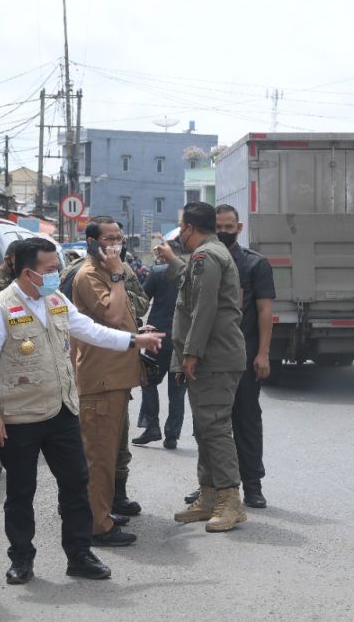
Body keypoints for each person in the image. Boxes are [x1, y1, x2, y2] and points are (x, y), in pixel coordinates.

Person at [0, 238, 163, 584]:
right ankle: (21, 559)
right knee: (21, 491)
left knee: (76, 483)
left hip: (61, 410)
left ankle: (79, 555)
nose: (55, 275)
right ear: (28, 272)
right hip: (20, 416)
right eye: (49, 270)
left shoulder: (56, 300)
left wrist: (134, 340)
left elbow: (89, 330)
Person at [156, 202, 247, 533]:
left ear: (190, 228)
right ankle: (209, 496)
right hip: (211, 356)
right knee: (206, 427)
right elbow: (194, 289)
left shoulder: (206, 256)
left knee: (215, 427)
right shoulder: (208, 255)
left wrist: (190, 353)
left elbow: (205, 306)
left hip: (214, 356)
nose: (180, 232)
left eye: (182, 226)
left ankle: (229, 500)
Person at [71, 216, 148, 546]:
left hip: (115, 378)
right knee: (99, 457)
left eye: (119, 237)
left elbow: (126, 318)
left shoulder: (108, 274)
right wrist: (118, 274)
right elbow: (113, 317)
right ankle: (97, 526)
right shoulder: (91, 275)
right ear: (92, 243)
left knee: (110, 454)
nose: (116, 243)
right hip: (101, 378)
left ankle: (101, 511)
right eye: (109, 239)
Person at [214, 204, 275, 508]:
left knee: (247, 421)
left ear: (239, 228)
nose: (223, 232)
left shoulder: (254, 265)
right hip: (211, 360)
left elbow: (265, 311)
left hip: (245, 358)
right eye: (218, 227)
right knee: (211, 424)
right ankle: (212, 486)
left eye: (229, 227)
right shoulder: (204, 263)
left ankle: (253, 485)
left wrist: (263, 353)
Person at [132, 238, 187, 449]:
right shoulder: (191, 272)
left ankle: (152, 426)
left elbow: (142, 303)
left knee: (148, 382)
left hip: (158, 338)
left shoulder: (157, 272)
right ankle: (172, 435)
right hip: (183, 340)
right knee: (177, 390)